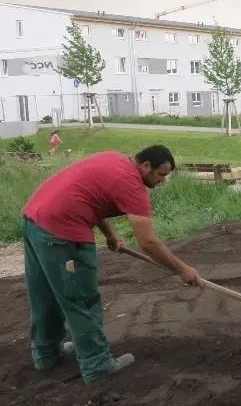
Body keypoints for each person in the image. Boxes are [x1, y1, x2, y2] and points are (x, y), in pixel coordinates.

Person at [21, 145, 202, 383]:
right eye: (161, 174)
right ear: (146, 166)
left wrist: (110, 234)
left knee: (44, 294)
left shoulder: (113, 159)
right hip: (62, 235)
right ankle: (97, 364)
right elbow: (147, 241)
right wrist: (182, 270)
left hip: (34, 221)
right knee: (81, 300)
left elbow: (88, 196)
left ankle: (46, 354)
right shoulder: (132, 186)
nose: (162, 180)